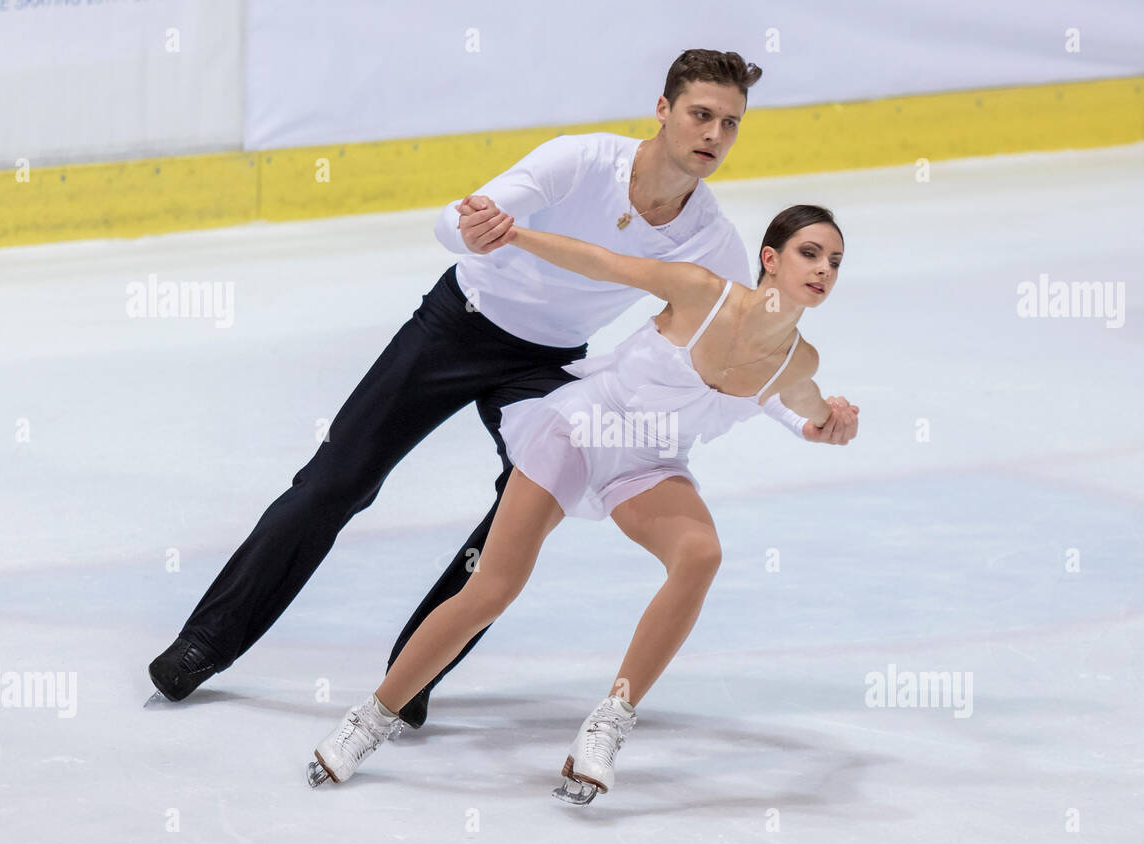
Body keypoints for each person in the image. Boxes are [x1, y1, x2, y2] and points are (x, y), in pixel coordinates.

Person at [148, 50, 855, 726]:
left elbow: (749, 356)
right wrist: (472, 233)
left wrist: (806, 424)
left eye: (730, 123)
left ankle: (414, 674)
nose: (714, 134)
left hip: (546, 366)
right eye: (701, 114)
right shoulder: (581, 160)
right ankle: (205, 644)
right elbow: (454, 221)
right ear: (663, 109)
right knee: (337, 480)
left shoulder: (709, 238)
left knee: (521, 512)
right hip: (457, 327)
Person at [307, 204, 859, 804]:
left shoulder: (799, 359)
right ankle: (369, 720)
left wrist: (824, 426)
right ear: (771, 260)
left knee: (700, 555)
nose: (824, 269)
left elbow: (797, 399)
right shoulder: (701, 293)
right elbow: (604, 262)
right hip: (583, 426)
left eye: (834, 261)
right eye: (810, 253)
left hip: (650, 462)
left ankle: (608, 724)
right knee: (494, 587)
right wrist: (512, 234)